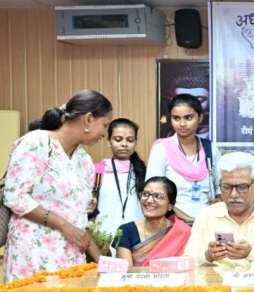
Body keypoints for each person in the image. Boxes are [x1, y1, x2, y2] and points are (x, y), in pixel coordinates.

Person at [3, 90, 112, 282]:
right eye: (105, 125)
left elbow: (79, 221)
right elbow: (15, 197)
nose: (105, 133)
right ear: (88, 119)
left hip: (71, 260)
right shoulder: (37, 142)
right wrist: (64, 226)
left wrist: (103, 263)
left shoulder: (85, 161)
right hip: (33, 256)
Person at [183, 152, 254, 264]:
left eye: (242, 187)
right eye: (226, 187)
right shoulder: (206, 215)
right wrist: (206, 256)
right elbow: (186, 262)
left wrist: (251, 254)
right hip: (215, 277)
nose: (233, 195)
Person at [147, 94, 219, 224]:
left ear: (200, 117)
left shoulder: (210, 148)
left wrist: (218, 201)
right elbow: (154, 192)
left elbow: (220, 187)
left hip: (207, 222)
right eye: (176, 118)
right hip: (172, 223)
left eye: (188, 118)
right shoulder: (162, 149)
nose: (182, 124)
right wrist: (185, 218)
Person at [114, 177, 192, 266]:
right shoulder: (125, 231)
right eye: (145, 194)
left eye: (158, 196)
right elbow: (126, 271)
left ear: (170, 205)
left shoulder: (182, 232)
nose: (149, 200)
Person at [93, 118, 145, 236]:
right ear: (109, 141)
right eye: (118, 139)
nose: (124, 144)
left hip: (136, 236)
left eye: (130, 140)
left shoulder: (142, 171)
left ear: (136, 142)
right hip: (104, 235)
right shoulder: (98, 170)